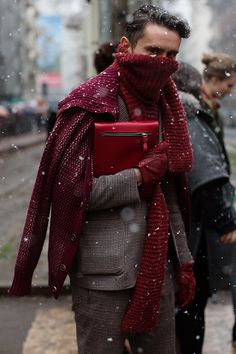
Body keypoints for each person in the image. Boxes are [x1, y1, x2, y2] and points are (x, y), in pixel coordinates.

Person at [9, 5, 195, 353]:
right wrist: (139, 177)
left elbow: (171, 197)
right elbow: (69, 195)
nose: (162, 62)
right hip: (104, 276)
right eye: (153, 51)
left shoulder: (169, 106)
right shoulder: (89, 104)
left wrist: (183, 260)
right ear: (126, 46)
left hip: (159, 270)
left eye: (171, 55)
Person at [173, 57, 236, 354]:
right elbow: (207, 177)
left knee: (188, 306)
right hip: (192, 232)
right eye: (230, 84)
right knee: (190, 309)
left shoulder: (184, 117)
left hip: (182, 230)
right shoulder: (190, 119)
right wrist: (225, 221)